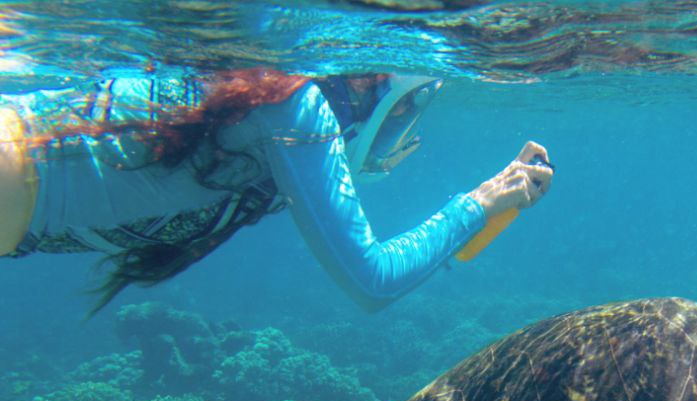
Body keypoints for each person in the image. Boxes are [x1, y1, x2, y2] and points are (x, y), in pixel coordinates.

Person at [0, 70, 553, 312]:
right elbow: (374, 283)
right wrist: (480, 204)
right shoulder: (299, 108)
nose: (400, 133)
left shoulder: (269, 107)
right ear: (375, 86)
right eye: (405, 111)